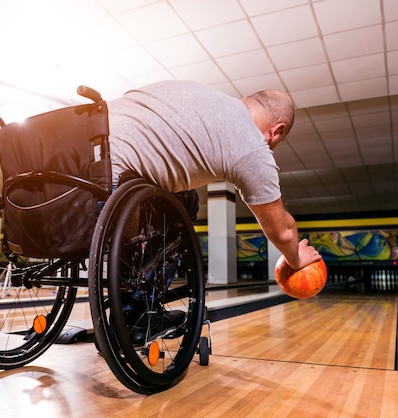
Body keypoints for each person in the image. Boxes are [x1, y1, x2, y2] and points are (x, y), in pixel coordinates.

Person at [106, 80, 322, 344]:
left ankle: (125, 299)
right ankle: (140, 313)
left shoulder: (193, 92)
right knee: (186, 201)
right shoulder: (250, 142)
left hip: (70, 183)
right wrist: (296, 259)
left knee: (169, 194)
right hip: (116, 189)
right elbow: (282, 230)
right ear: (276, 131)